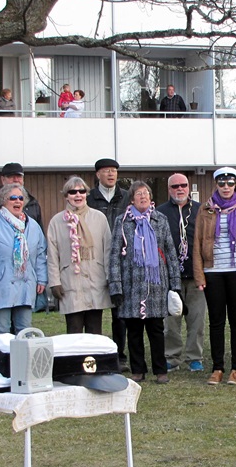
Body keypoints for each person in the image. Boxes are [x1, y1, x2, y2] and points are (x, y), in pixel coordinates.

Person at [109, 181, 181, 384]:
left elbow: (170, 252)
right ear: (132, 199)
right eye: (139, 194)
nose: (143, 197)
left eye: (146, 193)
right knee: (134, 331)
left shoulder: (160, 220)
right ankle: (138, 370)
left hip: (156, 285)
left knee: (156, 330)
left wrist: (175, 284)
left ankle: (160, 370)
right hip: (131, 285)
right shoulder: (122, 222)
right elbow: (114, 256)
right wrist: (115, 286)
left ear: (151, 197)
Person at [192, 167, 236, 386]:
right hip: (213, 272)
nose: (226, 187)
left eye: (230, 183)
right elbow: (197, 243)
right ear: (216, 184)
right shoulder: (205, 209)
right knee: (216, 321)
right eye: (222, 183)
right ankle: (217, 367)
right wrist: (199, 275)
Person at [0, 183, 48, 336]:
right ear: (3, 201)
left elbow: (40, 254)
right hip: (0, 285)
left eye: (21, 198)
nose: (18, 201)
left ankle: (22, 354)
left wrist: (42, 279)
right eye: (13, 198)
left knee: (25, 331)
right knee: (1, 331)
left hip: (26, 285)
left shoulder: (33, 226)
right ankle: (0, 354)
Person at [46, 176, 113, 334]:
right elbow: (52, 254)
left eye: (81, 191)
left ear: (86, 194)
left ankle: (93, 353)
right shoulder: (56, 221)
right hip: (70, 281)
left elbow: (108, 250)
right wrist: (54, 282)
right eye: (73, 192)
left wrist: (110, 278)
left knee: (94, 330)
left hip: (95, 280)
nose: (78, 195)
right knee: (74, 330)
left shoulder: (99, 218)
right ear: (66, 195)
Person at [156, 173, 207, 372]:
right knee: (170, 321)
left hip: (196, 276)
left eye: (183, 185)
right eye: (175, 186)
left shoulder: (201, 210)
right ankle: (172, 356)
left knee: (197, 320)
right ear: (169, 189)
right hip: (170, 278)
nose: (180, 189)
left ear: (188, 187)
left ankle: (195, 357)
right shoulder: (160, 213)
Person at [87, 158, 131, 370]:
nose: (111, 174)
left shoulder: (126, 197)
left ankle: (119, 356)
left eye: (114, 171)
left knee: (119, 313)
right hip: (94, 258)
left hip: (121, 258)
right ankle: (92, 355)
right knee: (93, 312)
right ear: (98, 175)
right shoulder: (89, 198)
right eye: (106, 171)